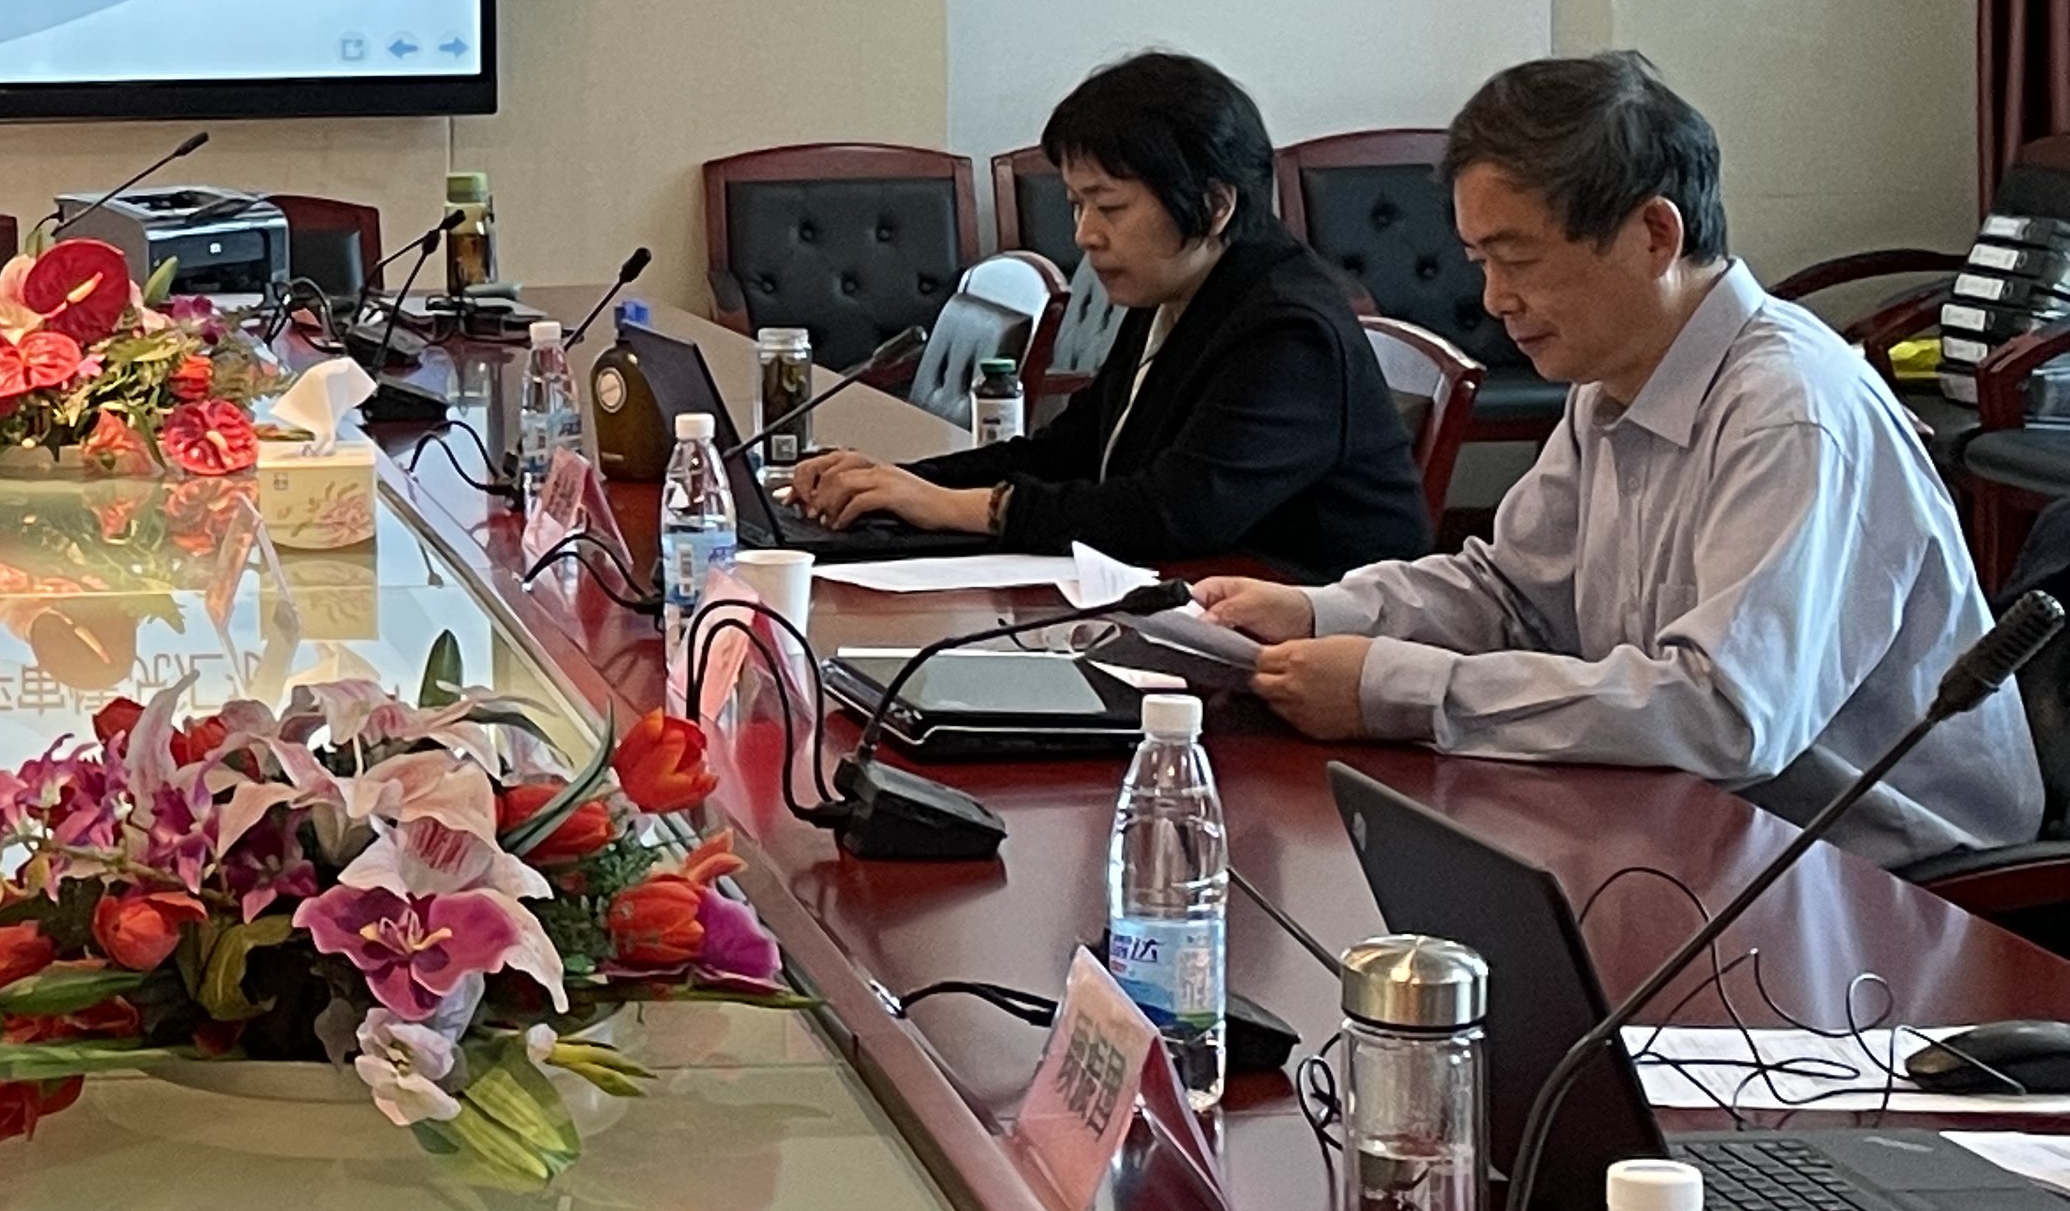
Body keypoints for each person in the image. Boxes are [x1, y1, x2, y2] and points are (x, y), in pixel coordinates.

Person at [1202, 51, 2037, 868]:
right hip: (1693, 823)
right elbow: (1512, 594)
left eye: (1517, 259)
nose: (1494, 299)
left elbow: (1727, 716)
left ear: (1653, 234)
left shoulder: (1789, 411)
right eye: (1481, 263)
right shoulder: (1614, 381)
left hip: (1889, 879)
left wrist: (1400, 689)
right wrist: (1320, 613)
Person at [783, 52, 1431, 577]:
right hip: (1197, 605)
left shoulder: (1288, 329)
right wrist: (897, 485)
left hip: (1313, 644)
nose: (1086, 235)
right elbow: (1073, 450)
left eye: (1110, 207)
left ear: (1214, 207)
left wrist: (952, 507)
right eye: (1076, 204)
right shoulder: (1181, 290)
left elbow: (1176, 513)